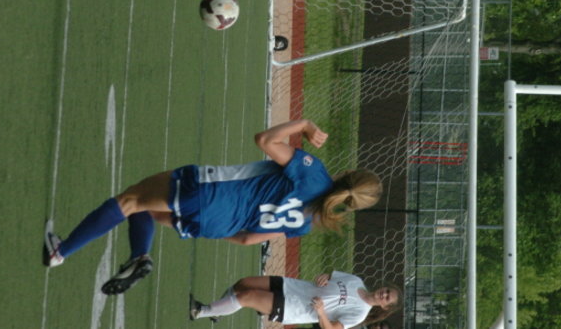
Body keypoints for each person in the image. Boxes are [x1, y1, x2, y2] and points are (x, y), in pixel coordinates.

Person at [42, 119, 382, 295]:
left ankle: (61, 251)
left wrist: (305, 125)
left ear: (349, 173)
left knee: (130, 200)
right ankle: (138, 257)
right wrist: (217, 226)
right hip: (220, 225)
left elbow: (265, 140)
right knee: (143, 209)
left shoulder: (313, 172)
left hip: (214, 193)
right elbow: (248, 240)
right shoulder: (308, 222)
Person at [189, 271, 401, 328]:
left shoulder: (360, 313)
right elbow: (329, 276)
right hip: (292, 286)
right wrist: (324, 277)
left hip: (295, 307)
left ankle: (201, 311)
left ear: (385, 306)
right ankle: (216, 312)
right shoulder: (356, 281)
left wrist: (320, 312)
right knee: (243, 284)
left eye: (387, 298)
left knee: (247, 297)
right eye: (386, 290)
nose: (383, 294)